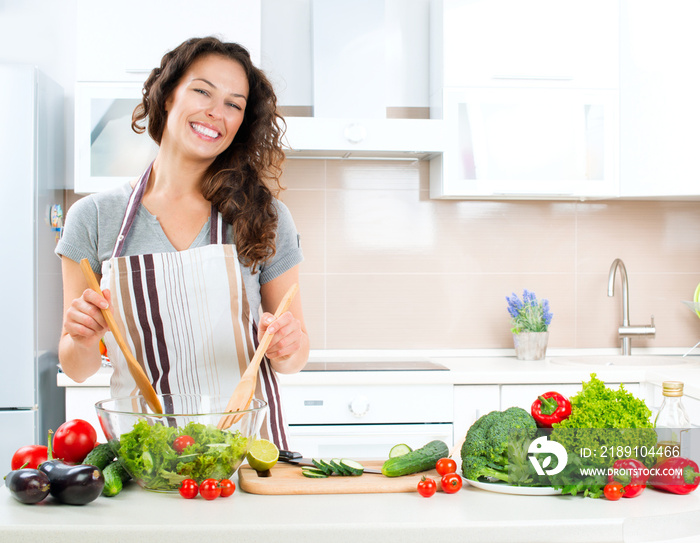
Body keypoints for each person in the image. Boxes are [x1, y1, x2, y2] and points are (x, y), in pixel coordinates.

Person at [56, 37, 309, 449]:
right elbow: (77, 367)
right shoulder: (94, 217)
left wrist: (287, 346)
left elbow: (295, 358)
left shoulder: (266, 216)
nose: (216, 111)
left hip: (243, 458)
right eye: (202, 90)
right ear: (168, 94)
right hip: (146, 458)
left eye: (234, 103)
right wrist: (81, 337)